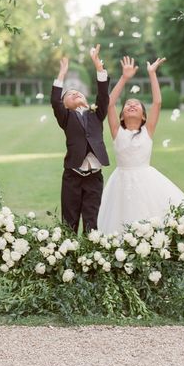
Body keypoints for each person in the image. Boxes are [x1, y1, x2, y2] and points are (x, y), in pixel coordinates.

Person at [97, 55, 184, 234]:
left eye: (136, 105)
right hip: (121, 182)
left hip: (146, 180)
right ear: (122, 116)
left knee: (150, 217)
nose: (131, 105)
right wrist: (124, 78)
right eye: (128, 104)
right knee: (120, 221)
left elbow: (157, 102)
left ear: (144, 116)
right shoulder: (117, 131)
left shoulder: (148, 130)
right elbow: (109, 104)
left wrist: (152, 73)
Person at [50, 44, 110, 233]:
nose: (74, 92)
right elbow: (55, 101)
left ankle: (91, 259)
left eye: (78, 92)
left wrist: (98, 67)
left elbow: (103, 95)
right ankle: (67, 259)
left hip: (94, 177)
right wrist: (62, 74)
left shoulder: (96, 114)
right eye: (69, 94)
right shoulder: (66, 117)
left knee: (93, 223)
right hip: (72, 176)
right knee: (69, 222)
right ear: (65, 105)